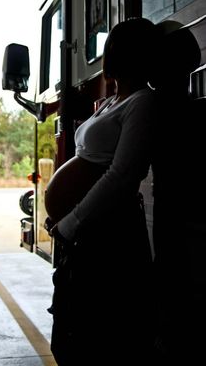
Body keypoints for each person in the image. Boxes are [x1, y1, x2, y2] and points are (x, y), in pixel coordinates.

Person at [45, 18, 159, 365]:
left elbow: (122, 175)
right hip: (85, 235)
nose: (108, 55)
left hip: (109, 236)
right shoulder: (112, 101)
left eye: (114, 48)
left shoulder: (142, 102)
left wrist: (70, 223)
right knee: (70, 332)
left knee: (99, 337)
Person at [150, 21, 204, 363]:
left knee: (173, 283)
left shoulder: (151, 108)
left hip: (172, 212)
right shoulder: (194, 109)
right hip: (188, 214)